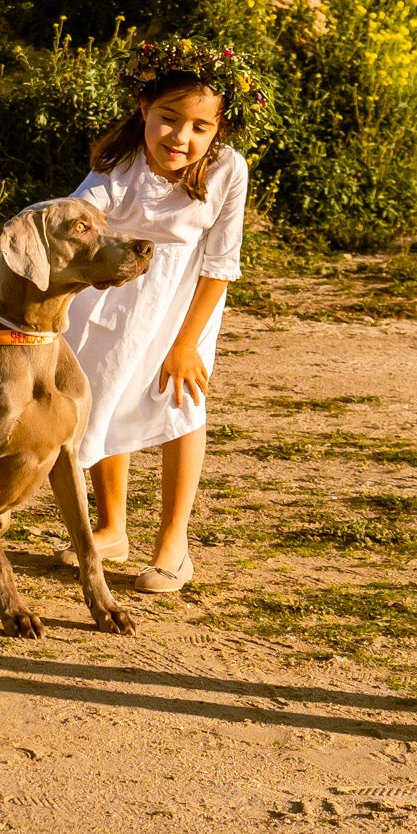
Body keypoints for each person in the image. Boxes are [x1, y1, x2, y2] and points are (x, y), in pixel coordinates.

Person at [63, 39, 260, 596]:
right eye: (170, 120)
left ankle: (175, 542)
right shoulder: (117, 161)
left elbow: (221, 263)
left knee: (181, 403)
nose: (181, 138)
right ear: (144, 106)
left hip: (184, 299)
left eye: (200, 127)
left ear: (219, 129)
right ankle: (111, 527)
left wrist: (187, 343)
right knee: (104, 392)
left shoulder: (228, 170)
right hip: (112, 293)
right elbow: (79, 217)